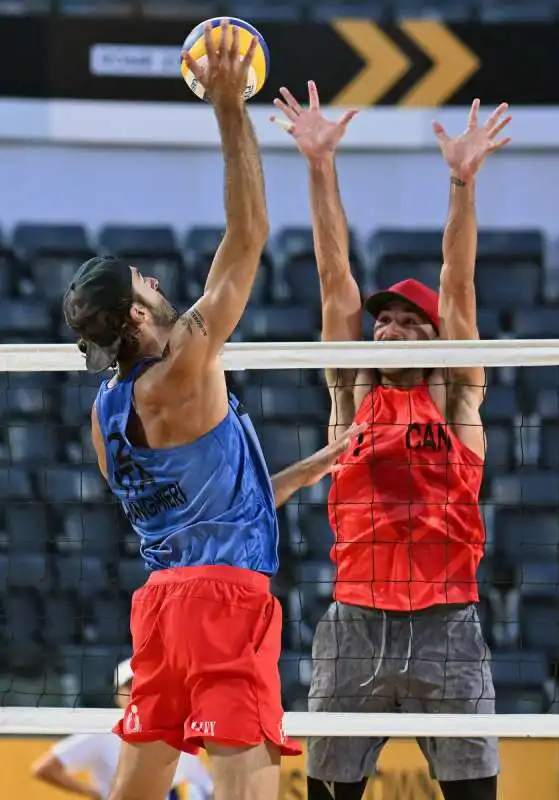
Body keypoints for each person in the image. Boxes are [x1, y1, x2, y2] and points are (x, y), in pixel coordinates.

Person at [62, 24, 362, 800]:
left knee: (137, 789)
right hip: (226, 602)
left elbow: (197, 508)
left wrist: (304, 471)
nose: (159, 283)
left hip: (160, 608)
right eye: (144, 283)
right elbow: (250, 233)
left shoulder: (106, 413)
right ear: (134, 317)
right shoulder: (184, 362)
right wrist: (230, 107)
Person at [272, 82, 512, 800]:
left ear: (437, 341)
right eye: (385, 322)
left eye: (410, 324)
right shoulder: (353, 394)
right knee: (325, 791)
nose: (390, 330)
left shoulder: (455, 394)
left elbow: (458, 283)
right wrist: (319, 166)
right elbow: (332, 273)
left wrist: (461, 184)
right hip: (355, 621)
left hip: (448, 622)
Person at [32, 658, 213, 800]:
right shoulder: (100, 732)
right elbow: (45, 768)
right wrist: (94, 793)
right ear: (117, 693)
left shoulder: (178, 732)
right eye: (130, 684)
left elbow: (207, 789)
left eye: (144, 684)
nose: (138, 691)